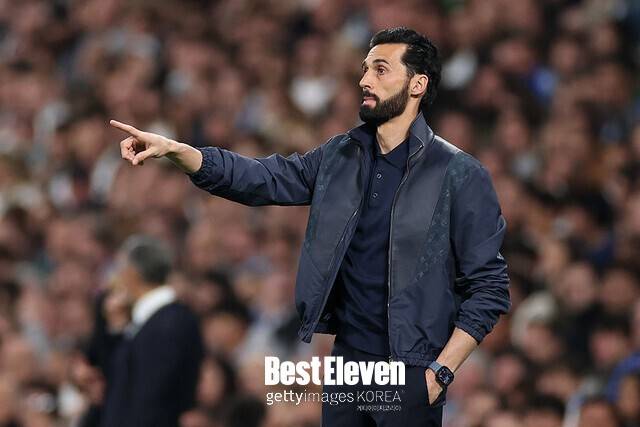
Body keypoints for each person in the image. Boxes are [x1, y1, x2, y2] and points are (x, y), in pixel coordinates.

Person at [110, 27, 510, 427]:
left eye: (381, 69)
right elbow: (262, 178)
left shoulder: (459, 174)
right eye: (365, 68)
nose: (365, 80)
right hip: (347, 366)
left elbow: (490, 287)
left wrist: (438, 374)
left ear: (417, 84)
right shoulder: (340, 156)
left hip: (411, 370)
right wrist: (180, 151)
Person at [81, 235, 204, 427]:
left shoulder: (168, 324)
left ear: (132, 273)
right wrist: (117, 330)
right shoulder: (149, 322)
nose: (114, 279)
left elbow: (152, 398)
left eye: (118, 269)